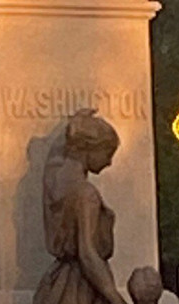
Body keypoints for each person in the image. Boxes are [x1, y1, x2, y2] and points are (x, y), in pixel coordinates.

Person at [34, 110, 127, 304]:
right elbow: (88, 255)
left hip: (55, 286)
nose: (109, 162)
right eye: (107, 153)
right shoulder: (86, 195)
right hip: (81, 288)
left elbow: (57, 151)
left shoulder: (54, 176)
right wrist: (115, 297)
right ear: (89, 149)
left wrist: (76, 122)